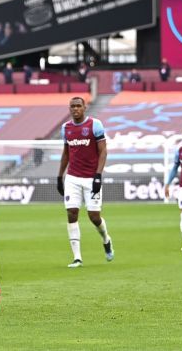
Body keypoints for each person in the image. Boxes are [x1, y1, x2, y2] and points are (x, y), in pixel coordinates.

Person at [57, 97, 113, 268]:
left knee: (94, 216)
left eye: (78, 106)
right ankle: (77, 257)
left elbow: (103, 151)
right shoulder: (65, 128)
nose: (75, 109)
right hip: (73, 177)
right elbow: (66, 153)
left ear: (84, 107)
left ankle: (106, 239)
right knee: (71, 213)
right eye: (72, 106)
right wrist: (60, 176)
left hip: (91, 177)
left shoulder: (95, 125)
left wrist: (98, 175)